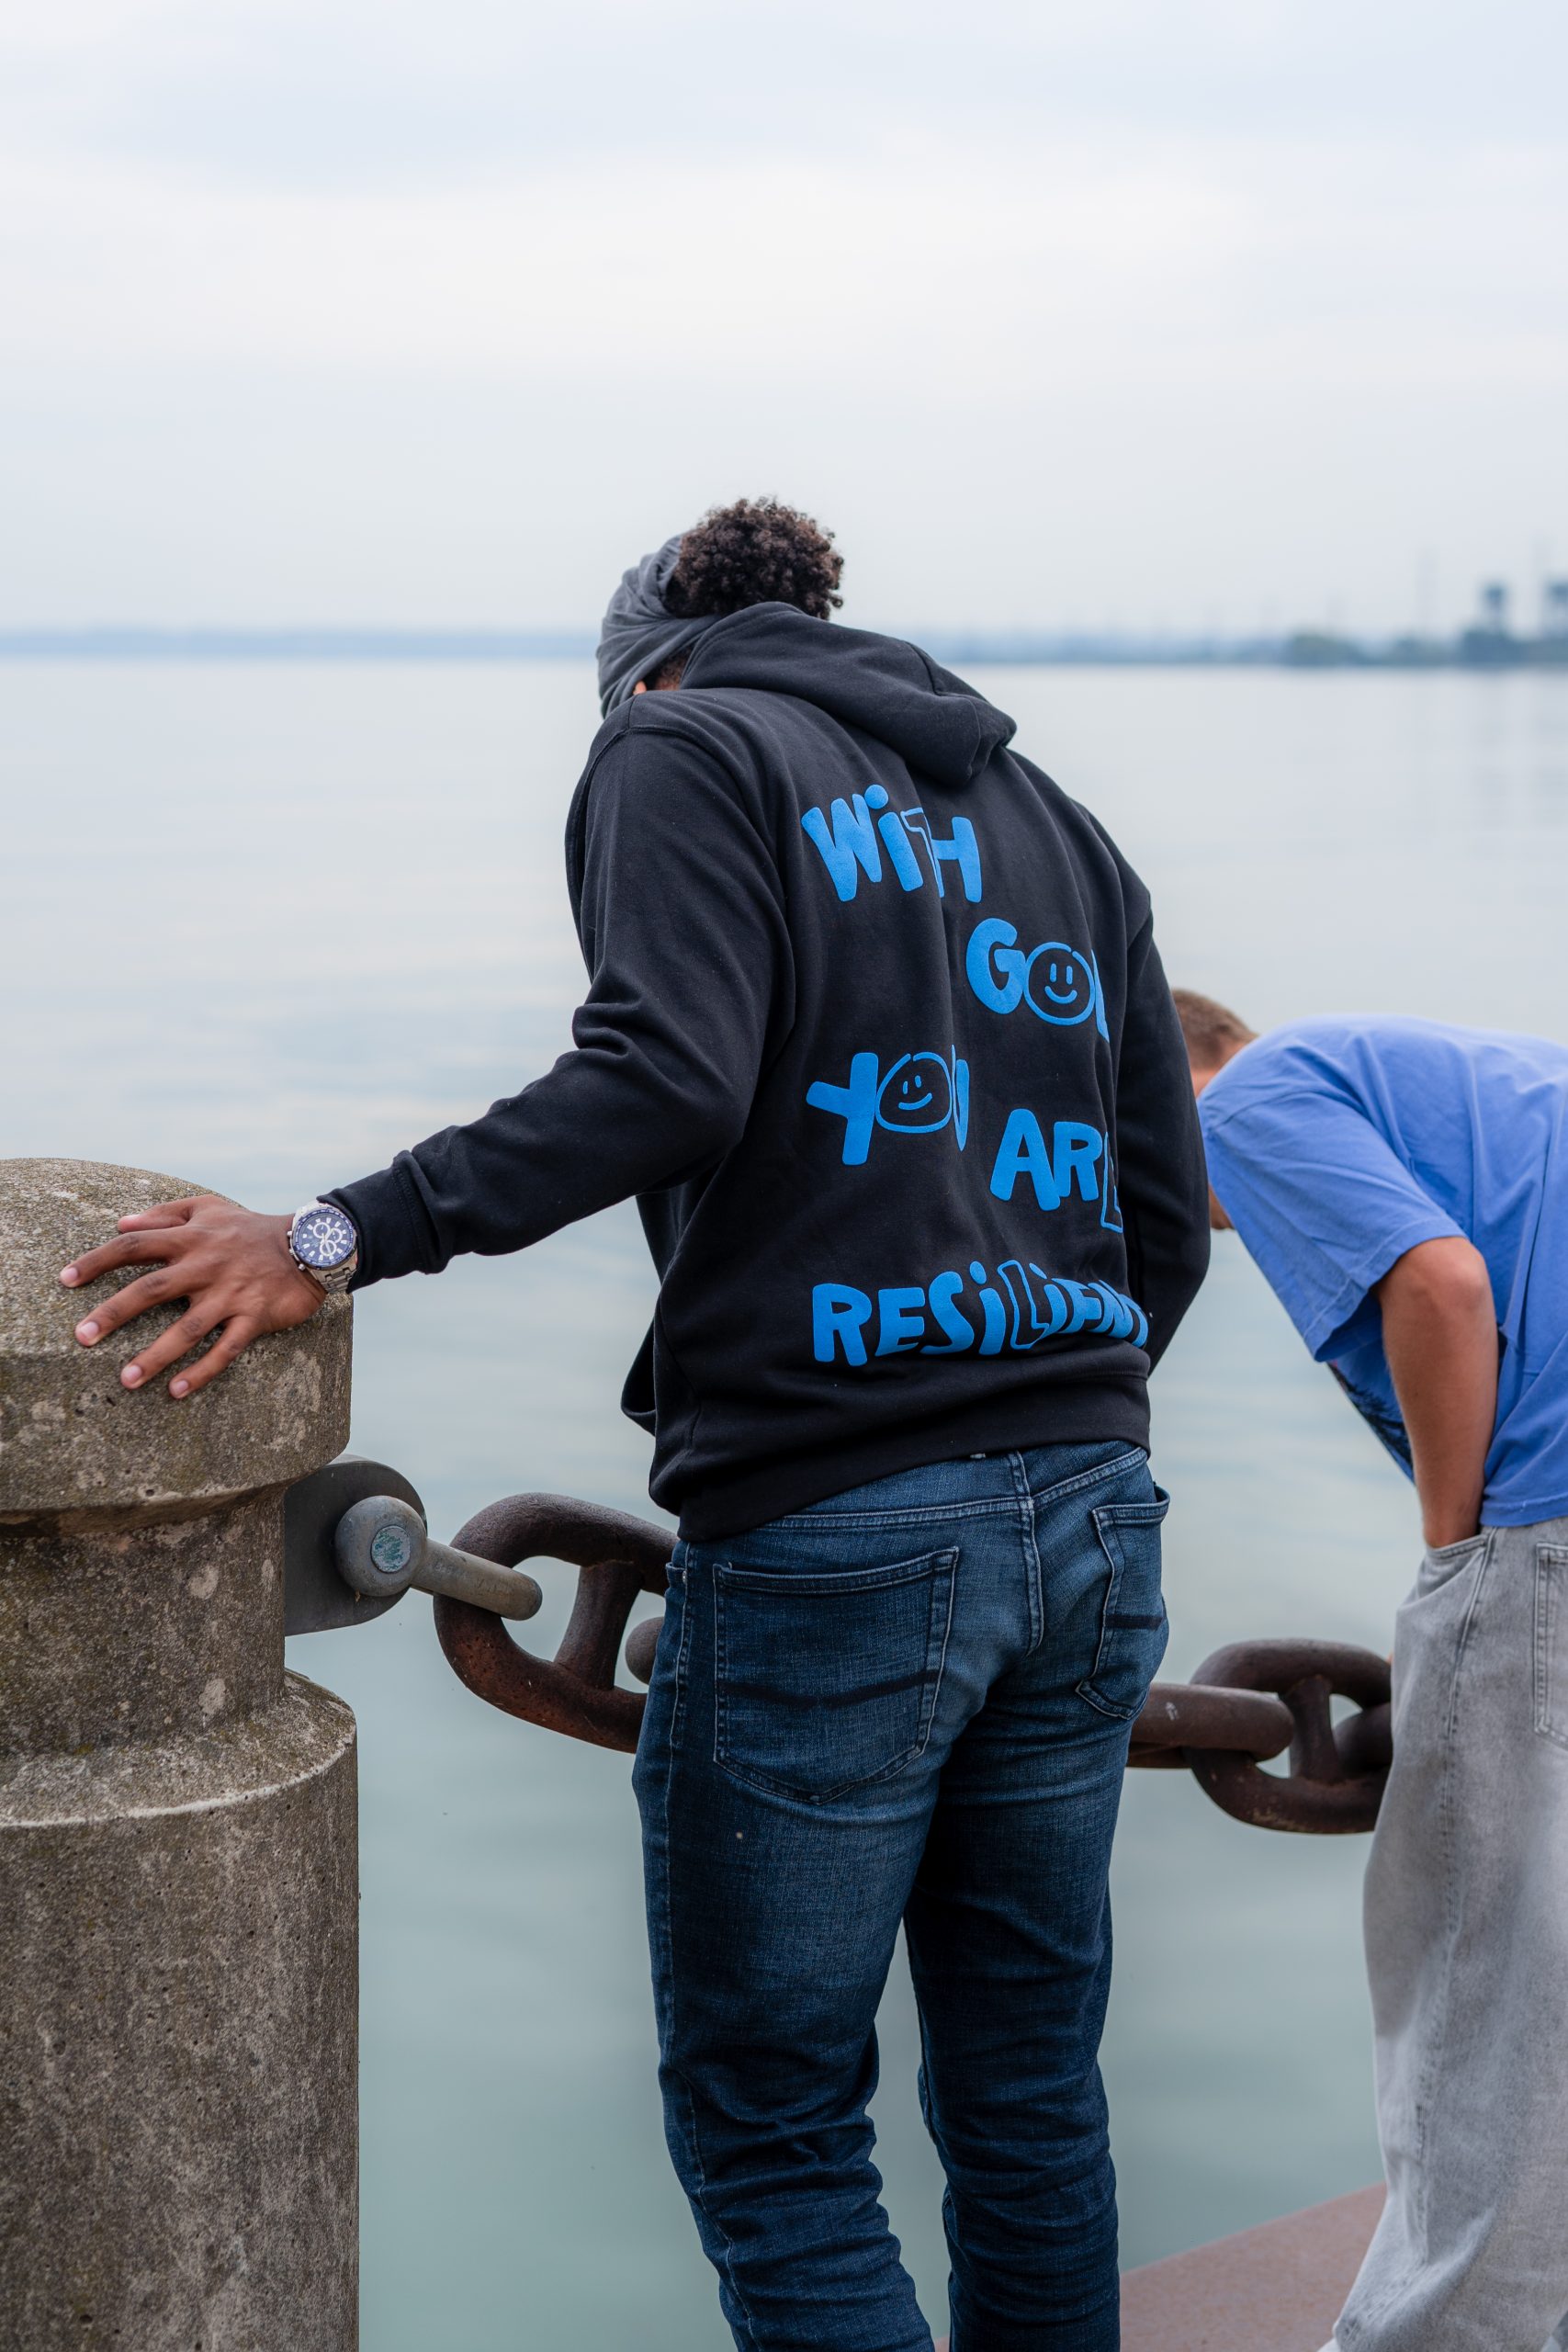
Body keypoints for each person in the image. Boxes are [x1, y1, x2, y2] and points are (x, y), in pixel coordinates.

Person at [61, 497, 1209, 2352]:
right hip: (1092, 1503)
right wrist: (1041, 1405)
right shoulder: (1053, 820)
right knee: (1026, 2095)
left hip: (841, 1507)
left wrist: (335, 1234)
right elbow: (1164, 1215)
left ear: (643, 667)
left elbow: (665, 1072)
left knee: (775, 2123)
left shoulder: (677, 744)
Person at [1177, 989, 1568, 2352]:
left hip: (1549, 1520)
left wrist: (1457, 1549)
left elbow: (1441, 1285)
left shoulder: (1240, 1101)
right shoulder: (1487, 1077)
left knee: (1482, 1988)